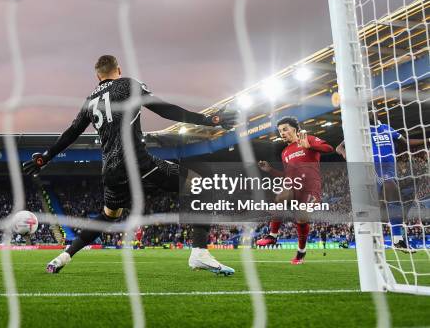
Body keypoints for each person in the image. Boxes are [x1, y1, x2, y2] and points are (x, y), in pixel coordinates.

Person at [23, 54, 237, 275]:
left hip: (110, 171)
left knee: (109, 215)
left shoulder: (90, 102)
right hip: (136, 162)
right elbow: (164, 109)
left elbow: (71, 133)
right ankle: (199, 252)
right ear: (118, 70)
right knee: (200, 183)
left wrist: (45, 157)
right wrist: (210, 120)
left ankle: (62, 257)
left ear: (98, 75)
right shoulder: (126, 85)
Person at [336, 114, 427, 253]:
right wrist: (346, 154)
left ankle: (386, 235)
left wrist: (427, 140)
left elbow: (406, 143)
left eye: (370, 109)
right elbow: (339, 147)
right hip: (373, 170)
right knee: (391, 190)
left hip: (390, 170)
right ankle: (396, 239)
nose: (368, 112)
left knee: (385, 205)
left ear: (376, 112)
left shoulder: (387, 128)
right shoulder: (362, 130)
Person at [256, 116, 334, 264]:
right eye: (280, 131)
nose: (282, 133)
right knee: (282, 195)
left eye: (285, 129)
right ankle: (272, 236)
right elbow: (287, 175)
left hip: (311, 188)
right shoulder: (285, 152)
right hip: (294, 186)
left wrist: (309, 146)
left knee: (301, 219)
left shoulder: (307, 139)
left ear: (295, 129)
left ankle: (301, 252)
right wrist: (270, 170)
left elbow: (328, 148)